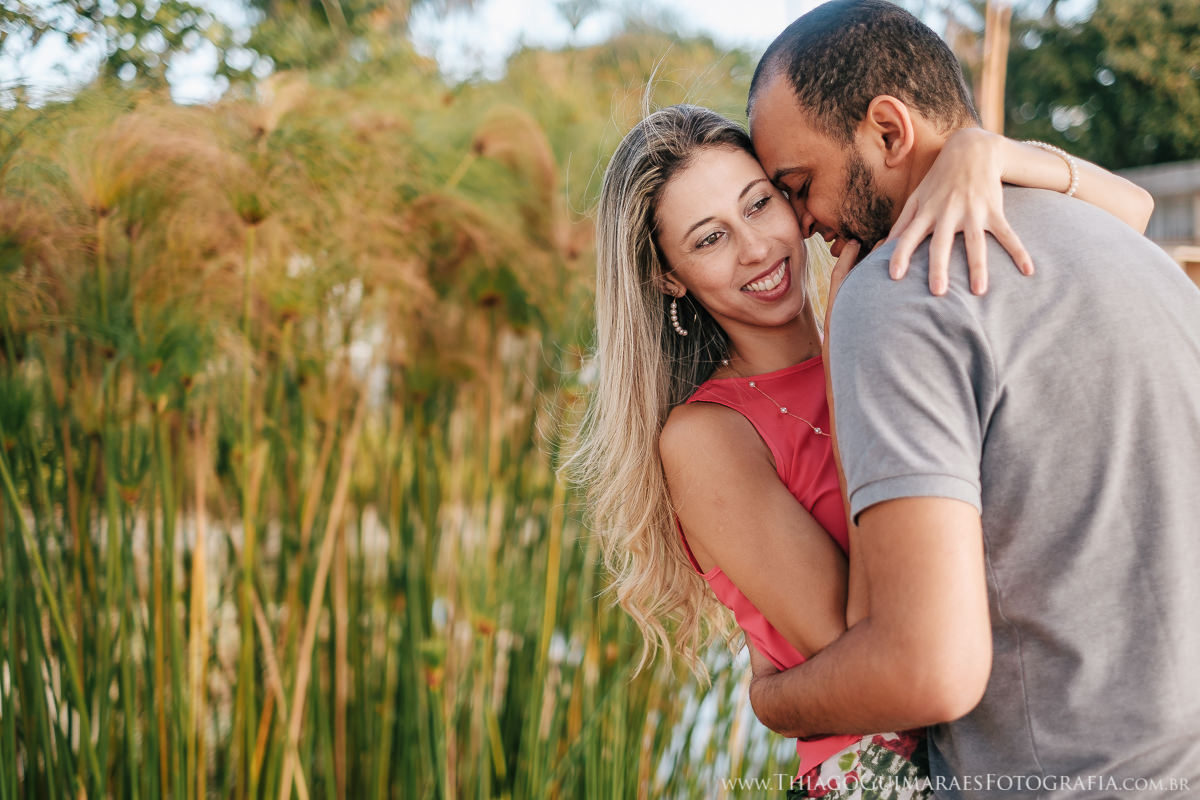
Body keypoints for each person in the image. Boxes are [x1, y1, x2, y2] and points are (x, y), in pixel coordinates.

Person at [568, 97, 1154, 796]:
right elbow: (863, 644)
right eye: (709, 239)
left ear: (795, 203)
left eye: (759, 205)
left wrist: (987, 153)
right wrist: (851, 352)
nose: (755, 247)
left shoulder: (891, 316)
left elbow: (1131, 214)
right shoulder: (707, 437)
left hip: (1017, 731)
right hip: (879, 771)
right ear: (669, 277)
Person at [741, 1, 1200, 798]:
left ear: (887, 131)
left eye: (798, 184)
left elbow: (929, 667)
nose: (804, 225)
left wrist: (775, 700)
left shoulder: (897, 296)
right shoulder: (1130, 248)